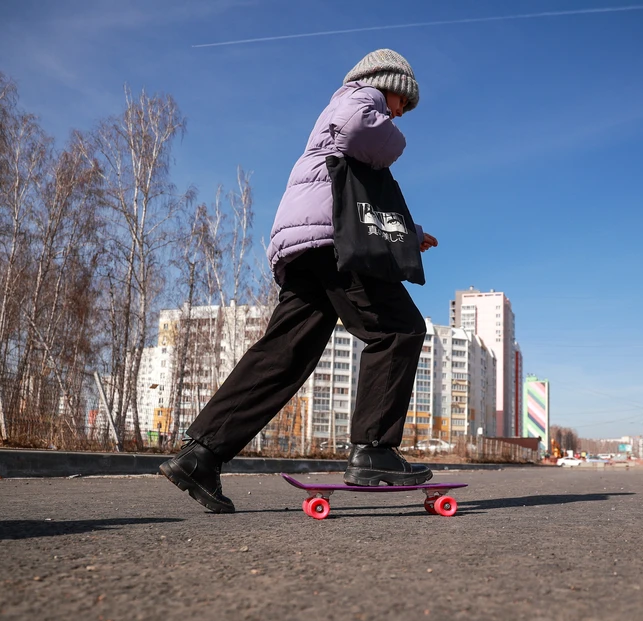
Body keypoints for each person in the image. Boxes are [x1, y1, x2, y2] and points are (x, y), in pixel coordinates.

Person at [159, 49, 438, 514]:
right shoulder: (355, 99)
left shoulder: (339, 123)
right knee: (398, 329)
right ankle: (374, 449)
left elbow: (357, 200)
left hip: (310, 245)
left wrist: (409, 234)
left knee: (284, 354)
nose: (397, 114)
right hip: (333, 246)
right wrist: (392, 130)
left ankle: (201, 454)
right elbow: (359, 144)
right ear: (383, 82)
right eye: (400, 103)